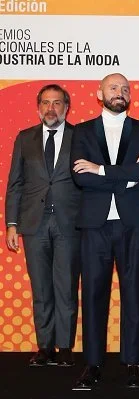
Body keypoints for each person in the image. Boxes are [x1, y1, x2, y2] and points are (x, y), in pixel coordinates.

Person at [70, 73, 139, 390]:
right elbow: (81, 177)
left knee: (135, 293)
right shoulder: (82, 131)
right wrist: (125, 176)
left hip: (133, 223)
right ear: (99, 93)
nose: (120, 93)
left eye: (125, 89)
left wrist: (101, 169)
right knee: (93, 296)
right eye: (113, 88)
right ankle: (92, 364)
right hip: (95, 224)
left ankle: (133, 362)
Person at [5, 84, 81, 367]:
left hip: (69, 224)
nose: (51, 108)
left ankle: (64, 348)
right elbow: (15, 184)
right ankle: (45, 347)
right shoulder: (25, 138)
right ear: (38, 108)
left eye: (57, 103)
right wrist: (12, 224)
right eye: (46, 103)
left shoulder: (80, 136)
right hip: (34, 225)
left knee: (66, 287)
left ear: (66, 107)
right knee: (41, 288)